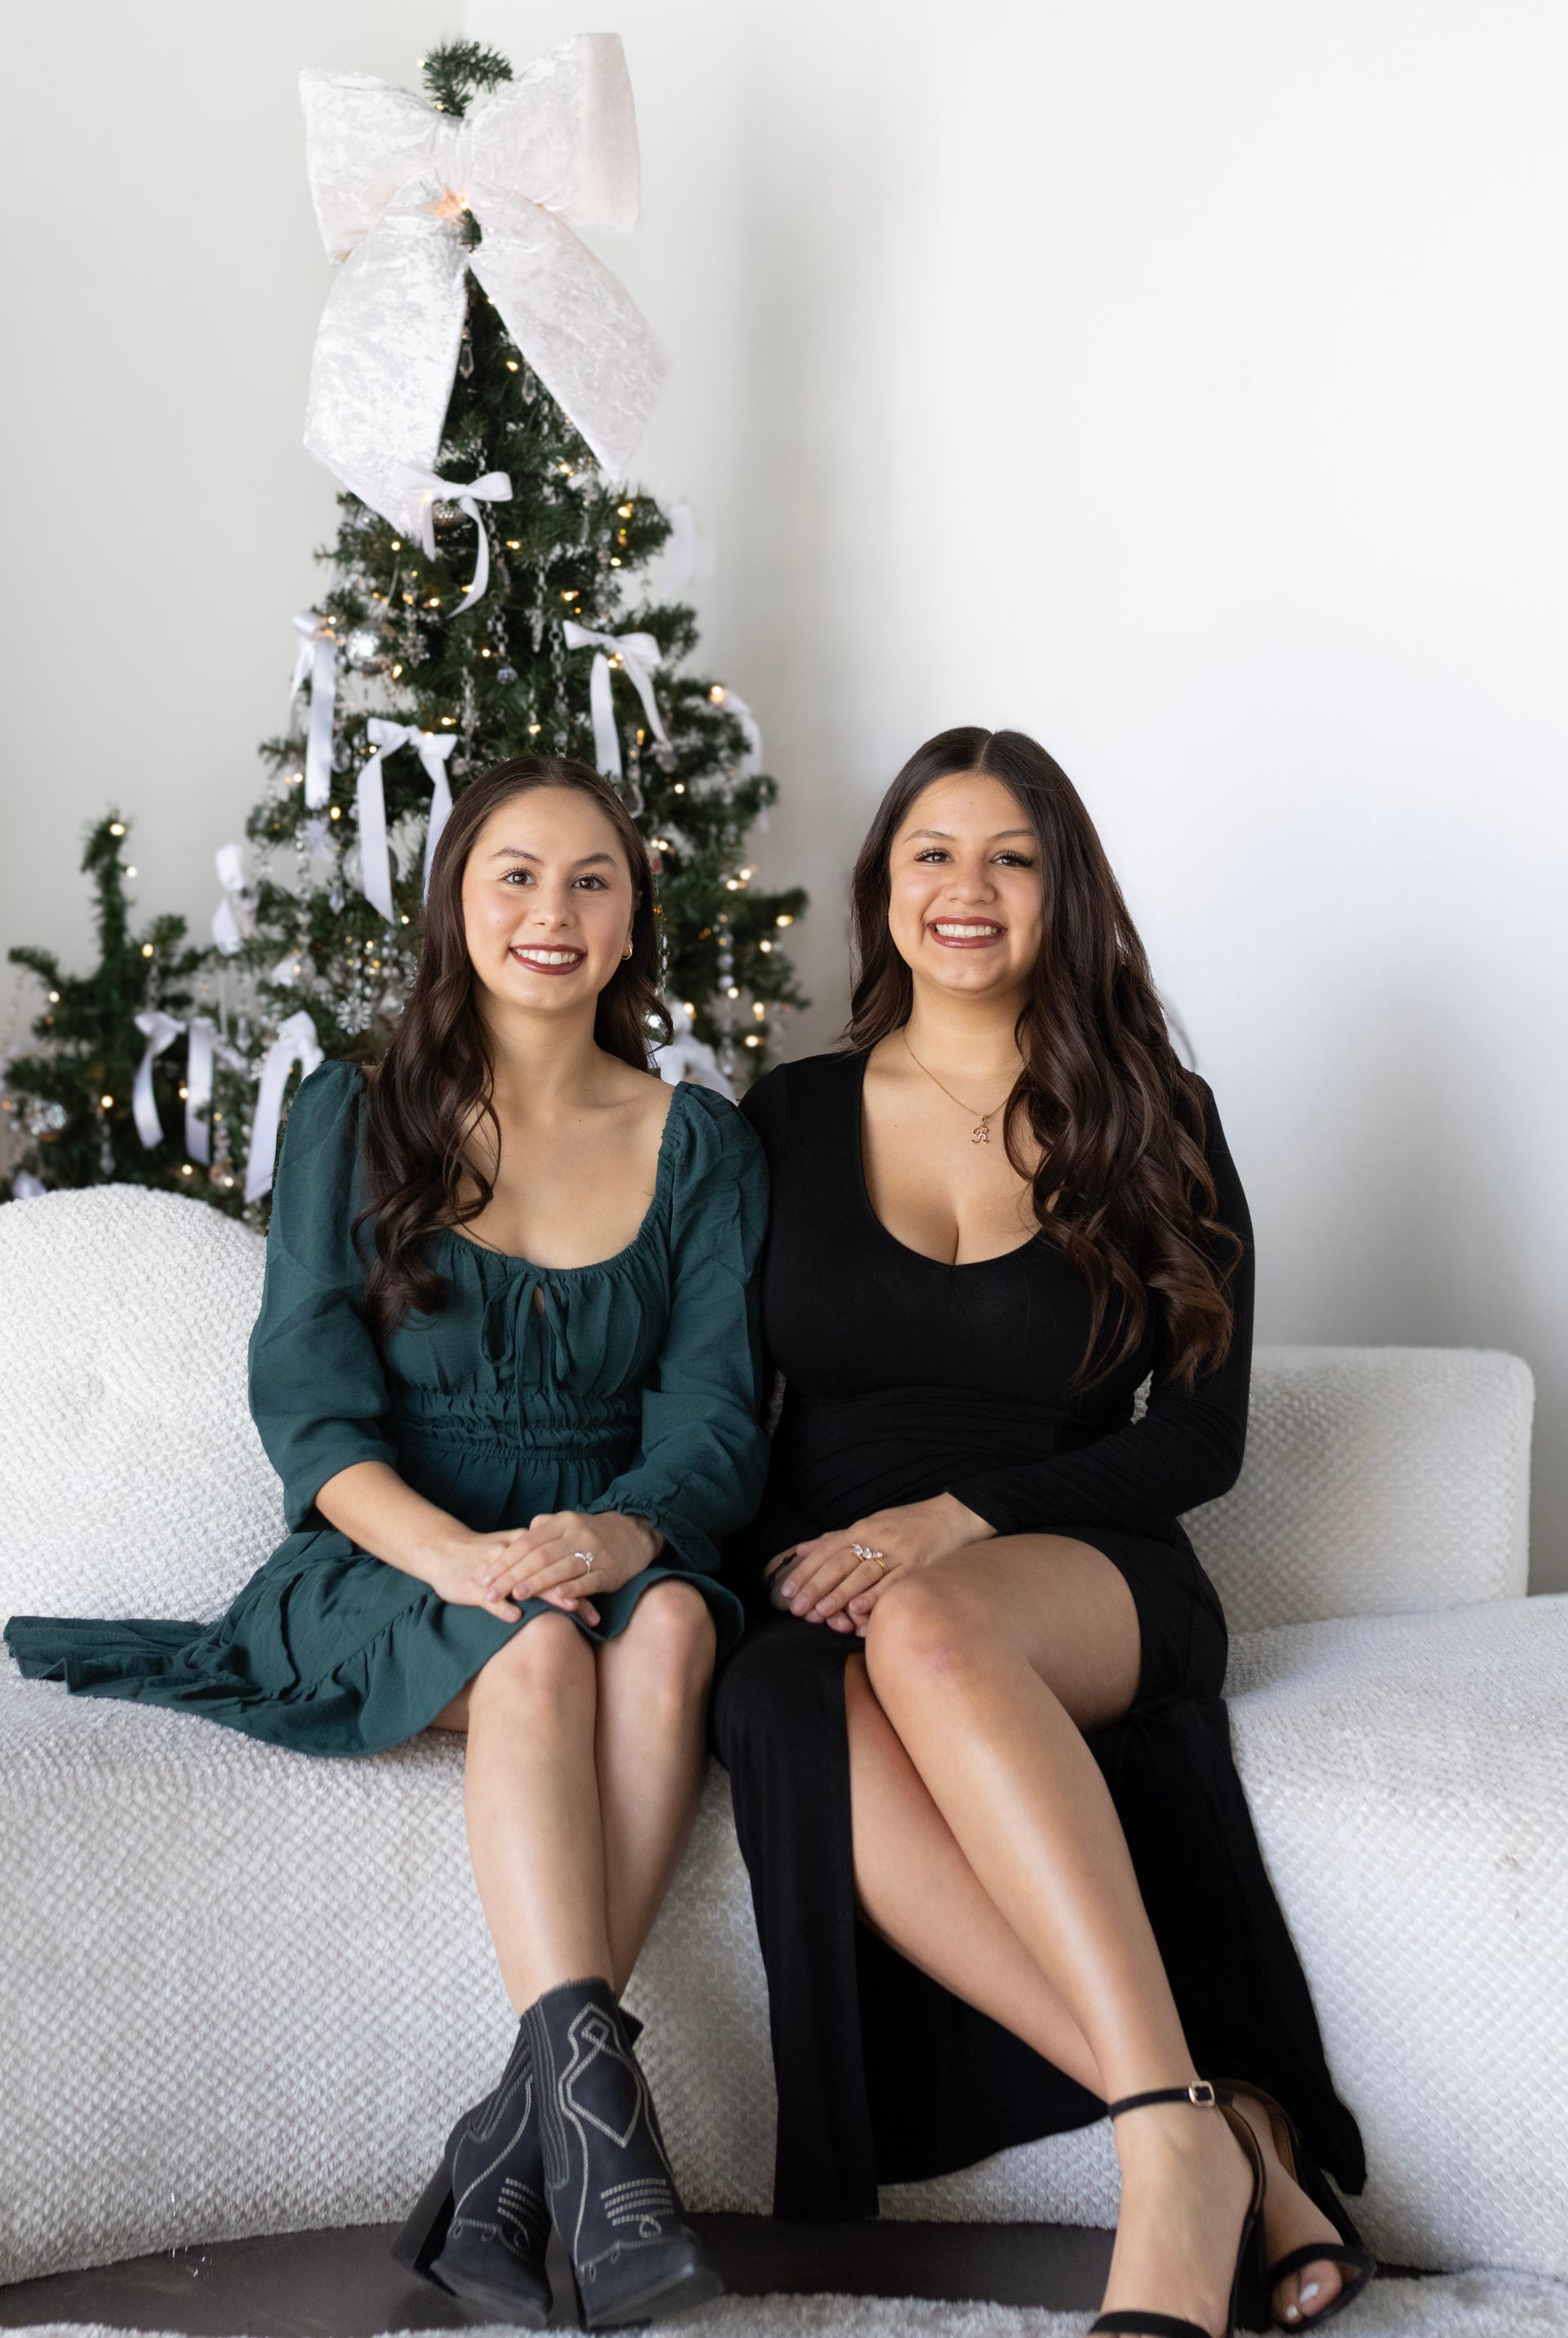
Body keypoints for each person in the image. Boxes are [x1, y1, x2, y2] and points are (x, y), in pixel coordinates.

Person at [6, 755, 770, 2334]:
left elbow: (712, 1417)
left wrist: (618, 1532)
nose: (552, 911)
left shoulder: (701, 1143)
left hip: (602, 1543)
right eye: (514, 875)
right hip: (388, 1557)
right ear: (455, 904)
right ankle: (603, 2160)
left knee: (683, 1626)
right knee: (542, 1653)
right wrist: (456, 1560)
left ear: (635, 920)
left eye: (592, 880)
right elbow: (308, 1406)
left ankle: (513, 2153)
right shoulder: (356, 1112)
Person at [712, 728, 1375, 2338]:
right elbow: (724, 1405)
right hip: (829, 1566)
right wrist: (758, 1558)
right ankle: (1215, 2128)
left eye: (1012, 856)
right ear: (883, 886)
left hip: (1084, 1559)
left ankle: (1168, 2168)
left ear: (1062, 892)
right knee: (788, 1694)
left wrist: (959, 1519)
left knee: (933, 1624)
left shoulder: (1157, 1113)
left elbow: (1200, 1439)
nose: (971, 887)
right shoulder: (785, 1115)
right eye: (933, 852)